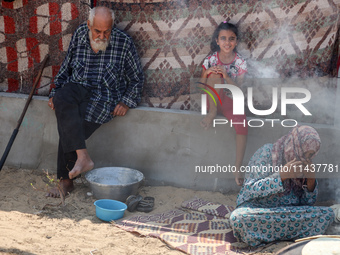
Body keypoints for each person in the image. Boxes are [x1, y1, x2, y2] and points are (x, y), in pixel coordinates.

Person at [47, 6, 144, 197]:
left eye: (106, 31)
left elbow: (137, 78)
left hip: (103, 97)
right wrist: (55, 92)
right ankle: (83, 158)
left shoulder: (123, 42)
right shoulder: (80, 34)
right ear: (88, 24)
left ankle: (66, 181)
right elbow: (67, 67)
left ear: (112, 27)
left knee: (70, 125)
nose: (102, 35)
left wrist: (126, 101)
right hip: (77, 88)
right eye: (97, 30)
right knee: (62, 99)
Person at [229, 125, 335, 247]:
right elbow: (249, 189)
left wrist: (310, 182)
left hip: (287, 213)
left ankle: (267, 236)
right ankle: (292, 235)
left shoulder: (304, 164)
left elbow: (306, 204)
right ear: (295, 145)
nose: (305, 158)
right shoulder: (267, 152)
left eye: (310, 155)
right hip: (259, 209)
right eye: (304, 153)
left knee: (328, 214)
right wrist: (281, 176)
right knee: (239, 218)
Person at [200, 22, 247, 186]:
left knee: (242, 124)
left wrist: (227, 77)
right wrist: (207, 72)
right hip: (212, 99)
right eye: (223, 38)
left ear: (236, 41)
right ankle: (212, 112)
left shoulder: (240, 62)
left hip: (229, 100)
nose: (227, 42)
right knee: (213, 74)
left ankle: (237, 167)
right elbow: (200, 84)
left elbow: (239, 91)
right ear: (217, 41)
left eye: (231, 39)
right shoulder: (211, 58)